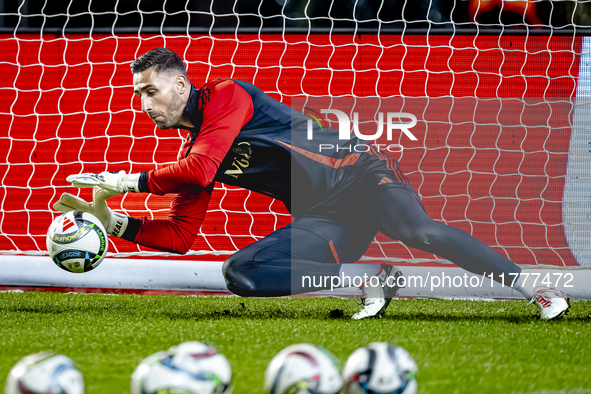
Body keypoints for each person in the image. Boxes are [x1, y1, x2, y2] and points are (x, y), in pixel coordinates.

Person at [53, 47, 569, 320]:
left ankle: (536, 290)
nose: (144, 104)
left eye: (151, 91)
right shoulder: (191, 155)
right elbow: (180, 237)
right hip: (325, 217)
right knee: (243, 273)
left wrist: (123, 180)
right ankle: (367, 281)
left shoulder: (228, 96)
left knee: (420, 232)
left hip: (363, 176)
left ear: (182, 85)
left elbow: (200, 172)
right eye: (138, 94)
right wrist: (111, 220)